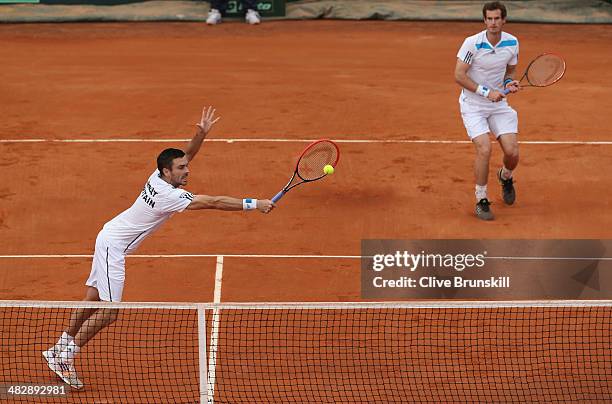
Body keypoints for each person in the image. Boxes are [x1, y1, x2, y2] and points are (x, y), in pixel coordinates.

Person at [42, 106, 275, 389]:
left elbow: (187, 154)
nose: (187, 170)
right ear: (167, 171)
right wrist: (255, 204)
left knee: (92, 298)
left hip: (109, 237)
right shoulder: (169, 196)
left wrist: (200, 134)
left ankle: (59, 346)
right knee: (110, 311)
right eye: (182, 169)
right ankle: (66, 356)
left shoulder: (157, 176)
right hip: (112, 247)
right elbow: (212, 202)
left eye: (186, 167)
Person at [454, 1, 520, 220]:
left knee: (512, 153)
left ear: (504, 20)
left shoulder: (512, 42)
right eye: (489, 19)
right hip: (473, 106)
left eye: (497, 19)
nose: (493, 23)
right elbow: (459, 75)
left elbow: (510, 69)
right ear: (484, 20)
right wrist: (486, 92)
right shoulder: (472, 43)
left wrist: (509, 82)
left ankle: (505, 176)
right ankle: (481, 199)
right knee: (484, 149)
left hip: (499, 106)